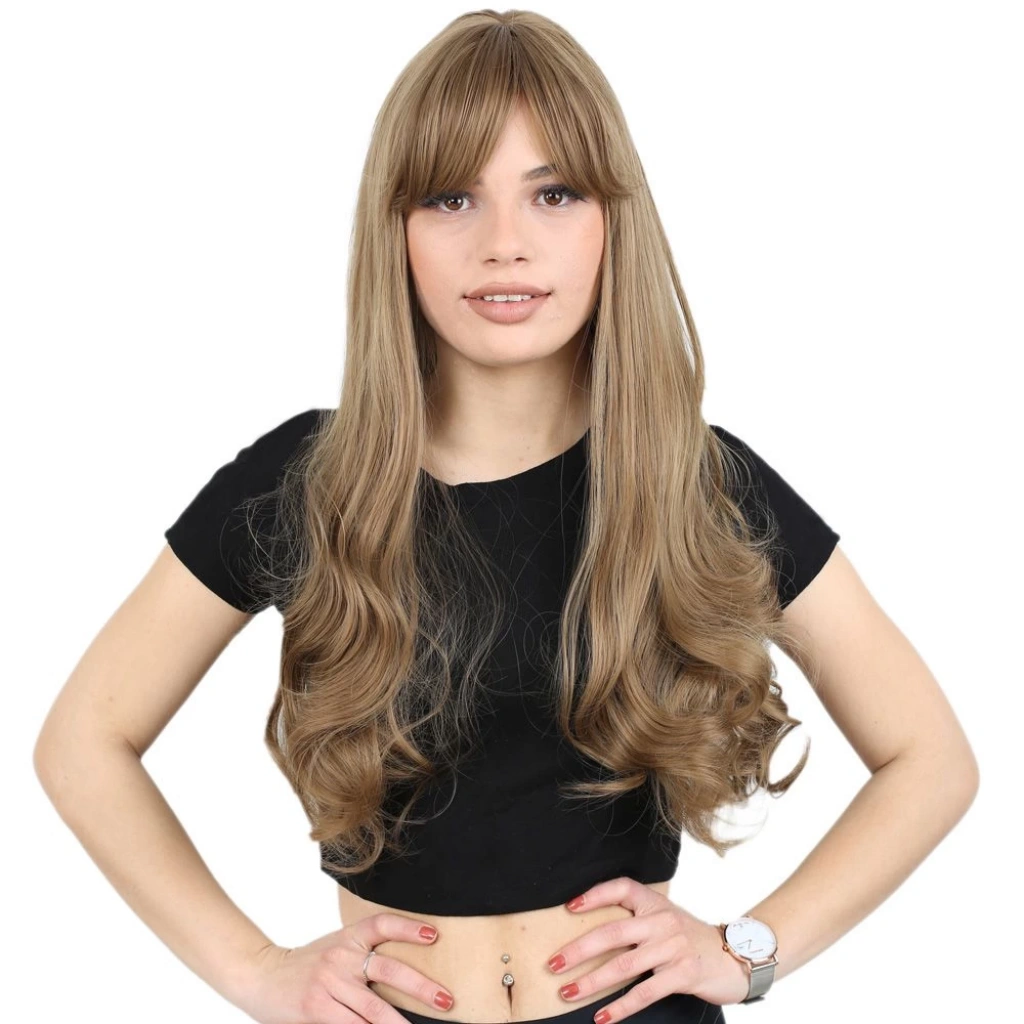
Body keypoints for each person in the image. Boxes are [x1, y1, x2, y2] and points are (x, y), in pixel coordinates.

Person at [33, 9, 979, 1024]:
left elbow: (930, 759)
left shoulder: (695, 481)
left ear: (612, 219)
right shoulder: (305, 482)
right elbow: (83, 740)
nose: (504, 245)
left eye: (553, 193)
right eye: (452, 198)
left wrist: (747, 949)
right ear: (395, 228)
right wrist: (255, 969)